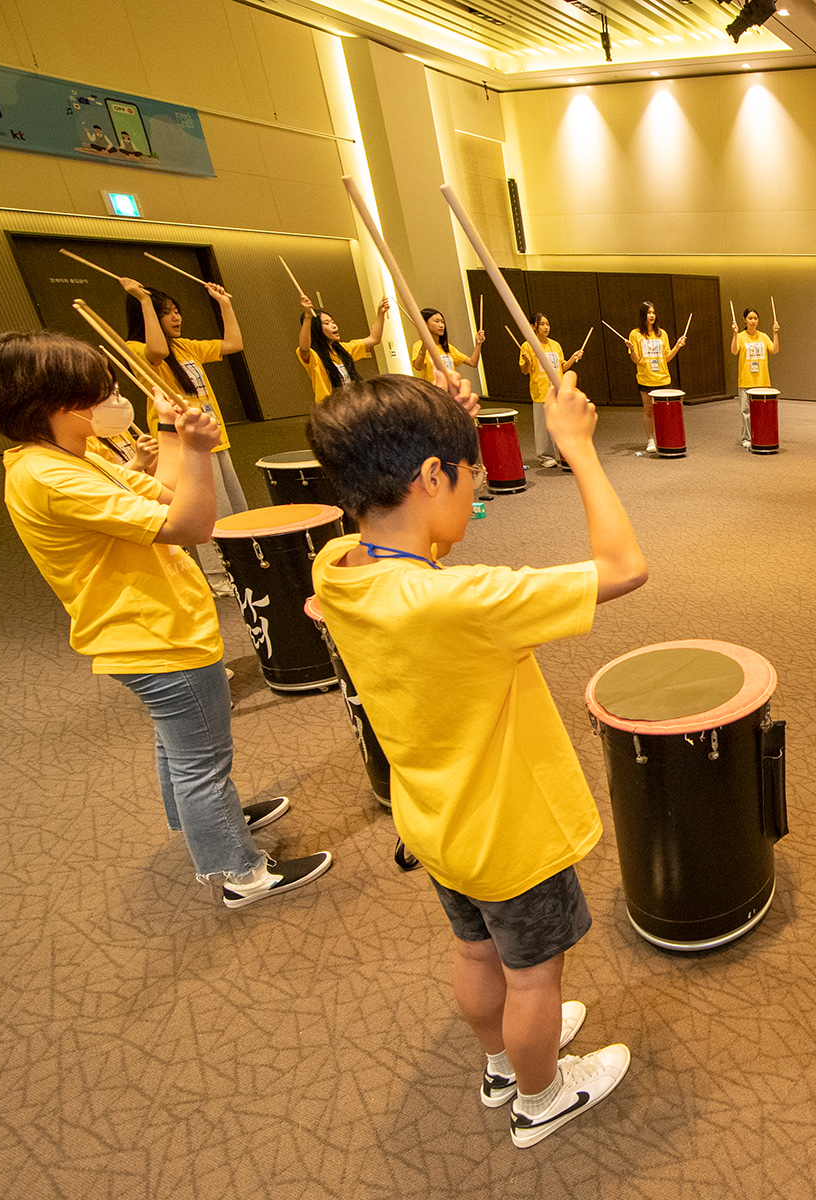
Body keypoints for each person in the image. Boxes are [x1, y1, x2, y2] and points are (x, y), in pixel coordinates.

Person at [308, 369, 646, 1149]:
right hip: (509, 831)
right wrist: (577, 447)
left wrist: (440, 433)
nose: (480, 487)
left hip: (436, 821)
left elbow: (414, 533)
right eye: (470, 474)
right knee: (533, 976)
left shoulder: (339, 566)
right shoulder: (465, 602)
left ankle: (500, 1066)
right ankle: (540, 1096)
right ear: (431, 477)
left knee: (475, 949)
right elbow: (625, 566)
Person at [0, 331, 332, 908]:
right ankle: (241, 872)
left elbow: (168, 491)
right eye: (100, 391)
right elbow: (190, 525)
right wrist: (199, 451)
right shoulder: (49, 476)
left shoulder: (77, 455)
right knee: (202, 762)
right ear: (56, 403)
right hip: (152, 635)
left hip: (151, 626)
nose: (114, 399)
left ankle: (204, 821)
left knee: (180, 748)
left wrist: (172, 433)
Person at [124, 277, 249, 596]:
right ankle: (218, 574)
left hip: (211, 436)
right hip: (183, 443)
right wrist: (144, 300)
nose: (176, 317)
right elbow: (157, 350)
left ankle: (240, 565)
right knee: (205, 510)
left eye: (176, 310)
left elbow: (233, 344)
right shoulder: (136, 349)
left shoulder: (186, 346)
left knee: (233, 506)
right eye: (167, 312)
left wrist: (225, 304)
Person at [297, 295, 388, 404]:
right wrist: (308, 317)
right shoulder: (313, 355)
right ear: (316, 328)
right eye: (327, 323)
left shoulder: (343, 349)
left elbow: (374, 339)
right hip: (330, 407)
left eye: (333, 322)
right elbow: (304, 348)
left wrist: (380, 313)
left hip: (351, 403)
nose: (334, 326)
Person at [519, 313, 583, 468]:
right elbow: (525, 370)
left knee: (562, 424)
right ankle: (545, 456)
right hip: (541, 390)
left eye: (547, 324)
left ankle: (564, 454)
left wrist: (573, 358)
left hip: (558, 390)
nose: (546, 327)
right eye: (542, 324)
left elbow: (561, 368)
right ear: (533, 326)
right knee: (543, 426)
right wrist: (526, 362)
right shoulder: (527, 345)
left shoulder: (555, 345)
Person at [625, 301, 686, 456]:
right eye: (648, 313)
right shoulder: (635, 334)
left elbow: (667, 357)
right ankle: (651, 440)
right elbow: (636, 360)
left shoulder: (662, 333)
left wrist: (677, 346)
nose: (651, 315)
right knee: (648, 410)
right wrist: (632, 350)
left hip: (663, 378)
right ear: (643, 315)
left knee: (666, 412)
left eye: (653, 312)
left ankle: (665, 439)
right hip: (645, 378)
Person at [730, 307, 780, 449]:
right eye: (750, 318)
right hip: (746, 380)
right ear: (745, 320)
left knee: (762, 412)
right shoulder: (741, 336)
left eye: (755, 318)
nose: (753, 321)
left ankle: (761, 435)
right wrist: (734, 334)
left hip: (762, 381)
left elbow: (774, 350)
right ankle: (746, 438)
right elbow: (734, 351)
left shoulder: (763, 336)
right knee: (746, 412)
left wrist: (775, 334)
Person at [411, 308, 484, 386]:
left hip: (451, 389)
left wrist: (478, 344)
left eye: (442, 322)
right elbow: (418, 367)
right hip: (433, 390)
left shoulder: (447, 347)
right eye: (436, 321)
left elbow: (473, 362)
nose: (441, 325)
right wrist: (424, 345)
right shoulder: (418, 345)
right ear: (425, 324)